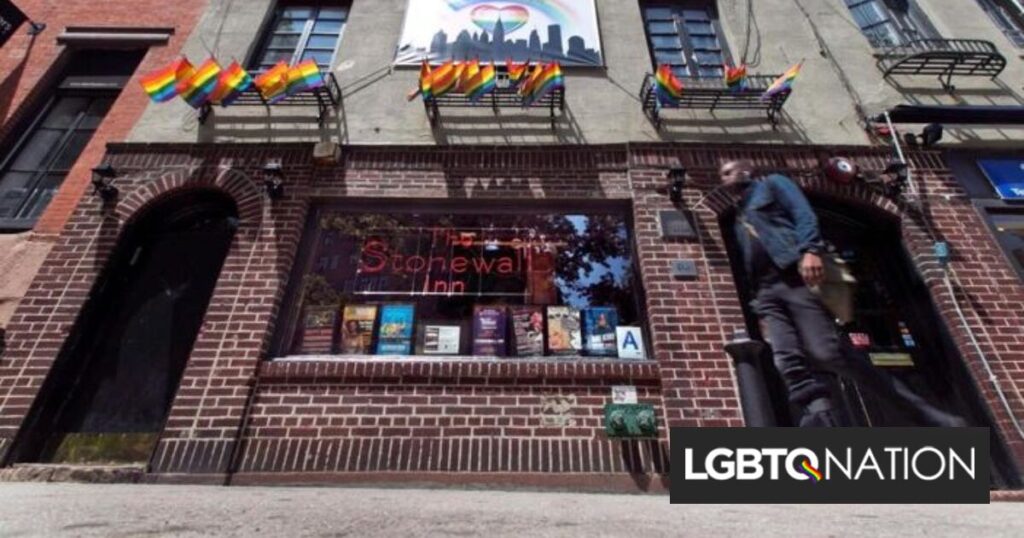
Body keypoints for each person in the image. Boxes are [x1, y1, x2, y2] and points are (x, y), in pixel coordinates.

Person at [719, 159, 966, 427]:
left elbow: (803, 214)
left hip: (795, 278)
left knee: (826, 353)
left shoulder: (774, 184)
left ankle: (924, 414)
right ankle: (818, 418)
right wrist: (758, 304)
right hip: (767, 293)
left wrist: (811, 250)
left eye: (729, 172)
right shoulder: (739, 213)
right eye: (723, 175)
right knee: (786, 358)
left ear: (746, 170)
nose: (725, 178)